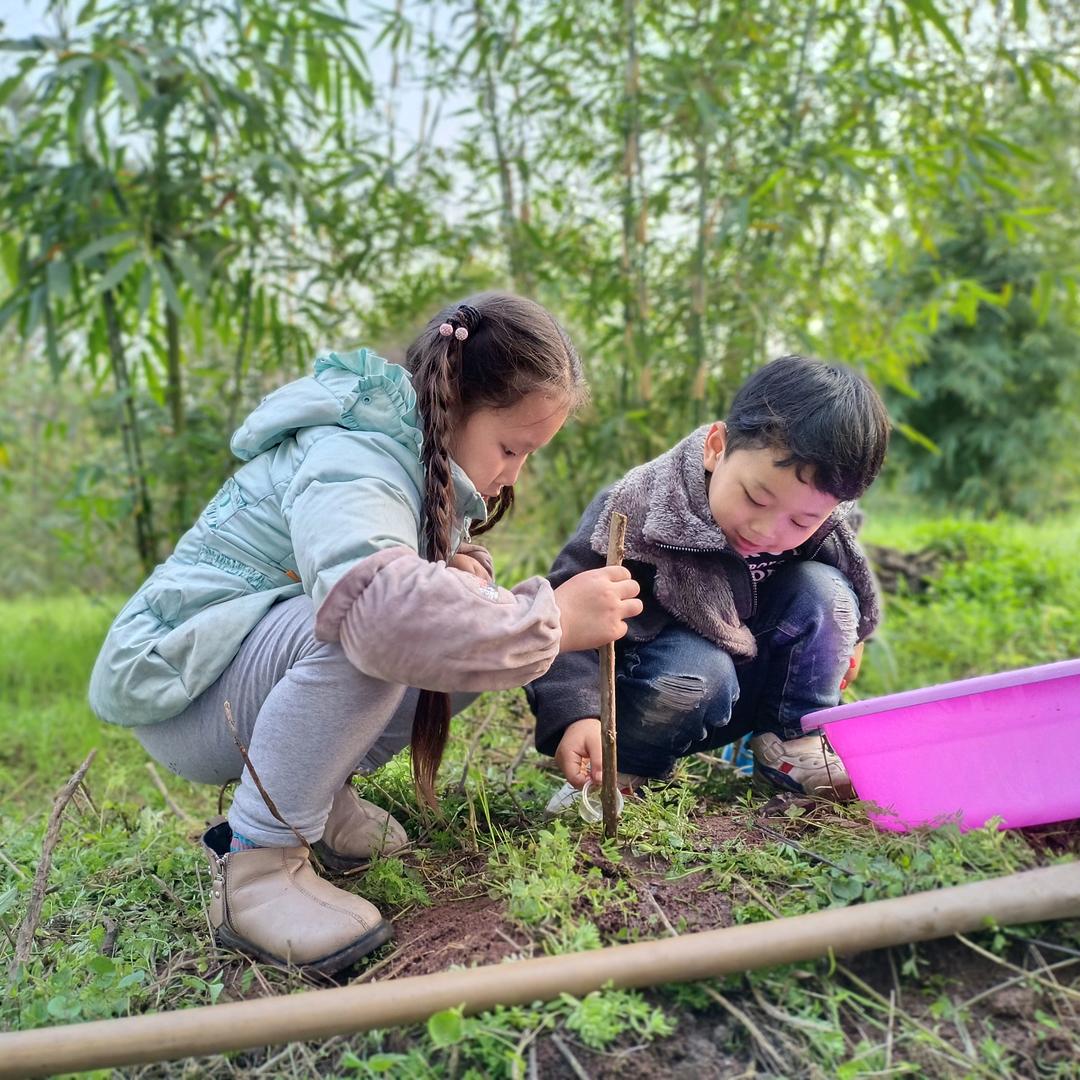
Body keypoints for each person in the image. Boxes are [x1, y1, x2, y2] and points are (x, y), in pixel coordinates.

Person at [89, 293, 643, 974]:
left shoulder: (417, 457)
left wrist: (467, 576)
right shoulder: (354, 455)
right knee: (375, 619)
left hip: (233, 674)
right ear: (458, 399)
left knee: (455, 610)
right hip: (183, 688)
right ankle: (257, 872)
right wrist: (550, 621)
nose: (510, 476)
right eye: (509, 448)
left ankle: (316, 798)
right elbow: (376, 610)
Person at [527, 354, 889, 811]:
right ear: (716, 447)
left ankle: (792, 745)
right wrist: (579, 714)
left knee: (829, 592)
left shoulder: (825, 529)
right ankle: (622, 773)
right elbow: (566, 619)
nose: (766, 531)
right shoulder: (639, 513)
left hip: (747, 685)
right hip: (656, 692)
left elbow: (848, 590)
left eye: (801, 520)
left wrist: (850, 639)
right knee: (698, 671)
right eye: (755, 497)